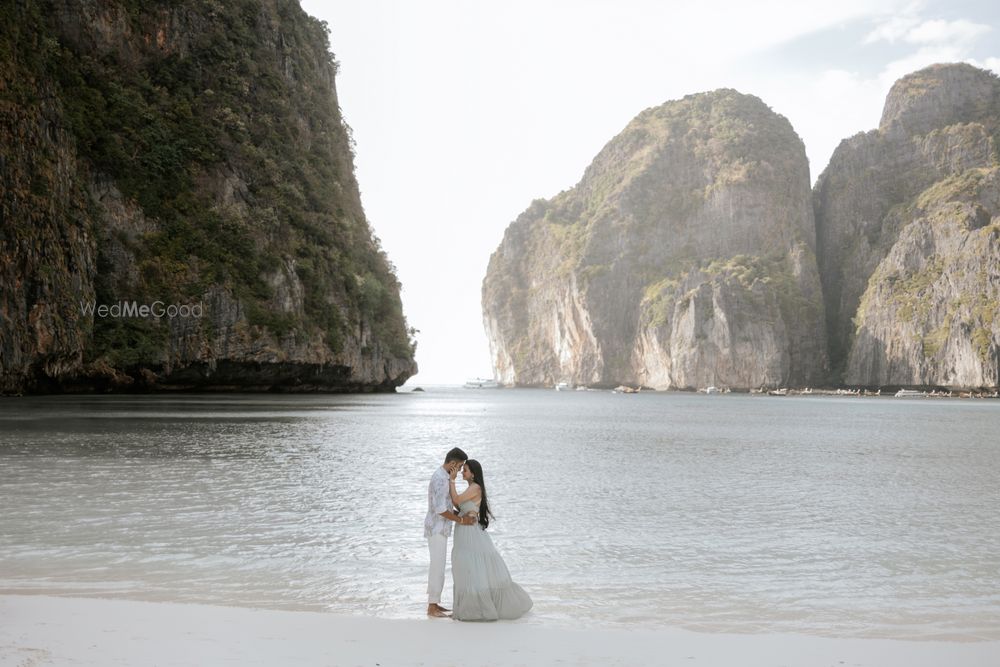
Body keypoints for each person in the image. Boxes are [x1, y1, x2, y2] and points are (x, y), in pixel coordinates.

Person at [449, 459, 533, 621]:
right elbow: (457, 503)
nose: (462, 472)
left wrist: (451, 480)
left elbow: (457, 500)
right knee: (466, 567)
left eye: (464, 470)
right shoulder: (470, 488)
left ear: (473, 474)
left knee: (472, 566)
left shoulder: (475, 487)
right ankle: (465, 607)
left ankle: (477, 608)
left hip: (470, 533)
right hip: (464, 532)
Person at [425, 447, 476, 617]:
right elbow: (440, 509)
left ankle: (435, 603)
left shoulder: (444, 477)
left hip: (441, 528)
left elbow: (446, 506)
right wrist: (461, 520)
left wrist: (462, 513)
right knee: (437, 567)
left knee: (439, 566)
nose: (461, 470)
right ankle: (432, 607)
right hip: (437, 528)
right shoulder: (440, 479)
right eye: (460, 466)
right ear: (452, 464)